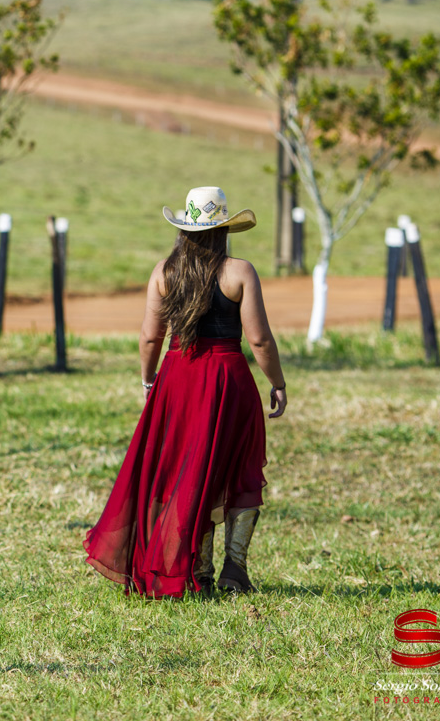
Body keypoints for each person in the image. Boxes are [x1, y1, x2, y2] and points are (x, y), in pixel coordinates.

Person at [83, 186, 287, 599]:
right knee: (239, 467)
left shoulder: (164, 272)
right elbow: (260, 340)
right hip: (228, 378)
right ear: (224, 229)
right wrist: (278, 383)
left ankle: (201, 571)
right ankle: (236, 568)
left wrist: (148, 380)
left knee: (187, 472)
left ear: (184, 230)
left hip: (177, 377)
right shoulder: (239, 271)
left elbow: (149, 337)